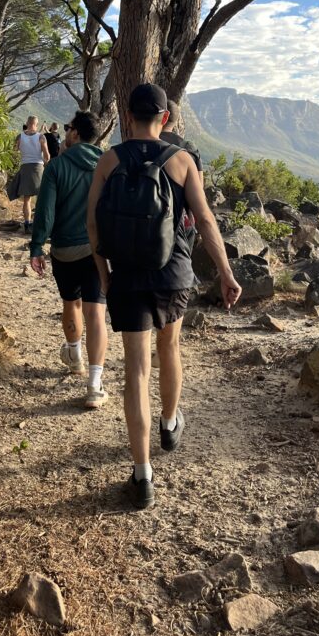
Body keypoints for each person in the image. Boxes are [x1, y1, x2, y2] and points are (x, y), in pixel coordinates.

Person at [87, 83, 241, 509]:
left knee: (136, 368)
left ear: (127, 117)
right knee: (169, 347)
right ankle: (170, 422)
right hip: (173, 274)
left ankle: (142, 474)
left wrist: (103, 275)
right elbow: (206, 220)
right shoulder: (182, 161)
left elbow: (93, 226)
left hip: (127, 278)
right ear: (165, 120)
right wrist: (225, 273)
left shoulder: (109, 160)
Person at [30, 111, 108, 409]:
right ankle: (94, 384)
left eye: (67, 128)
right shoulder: (107, 164)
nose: (64, 133)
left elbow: (45, 212)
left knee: (71, 303)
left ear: (76, 134)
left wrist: (37, 247)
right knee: (96, 313)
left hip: (64, 250)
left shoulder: (57, 167)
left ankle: (75, 358)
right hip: (97, 251)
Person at [9, 116, 50, 231]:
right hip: (38, 167)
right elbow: (47, 156)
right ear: (36, 124)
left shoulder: (19, 137)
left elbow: (14, 151)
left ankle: (27, 223)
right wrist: (47, 165)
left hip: (25, 166)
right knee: (41, 197)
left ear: (27, 123)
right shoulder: (41, 137)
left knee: (27, 199)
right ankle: (40, 223)